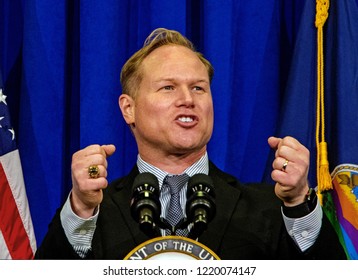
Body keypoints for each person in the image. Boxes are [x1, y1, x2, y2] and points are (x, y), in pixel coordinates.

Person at [35, 28, 346, 259]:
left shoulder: (269, 208)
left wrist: (298, 203)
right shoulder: (95, 211)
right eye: (168, 87)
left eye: (198, 88)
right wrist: (80, 209)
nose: (187, 100)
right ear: (128, 108)